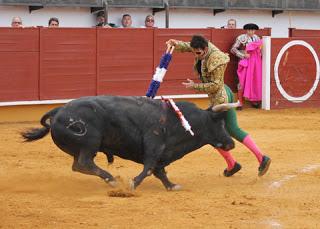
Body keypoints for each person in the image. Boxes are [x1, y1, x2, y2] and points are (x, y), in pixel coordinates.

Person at [166, 35, 271, 177]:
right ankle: (235, 164)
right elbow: (187, 46)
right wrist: (175, 43)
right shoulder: (201, 47)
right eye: (195, 52)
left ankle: (256, 159)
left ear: (206, 49)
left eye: (199, 53)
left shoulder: (216, 59)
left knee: (219, 131)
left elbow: (215, 86)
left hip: (221, 98)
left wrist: (195, 86)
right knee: (220, 131)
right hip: (219, 96)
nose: (197, 55)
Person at [231, 23, 262, 109]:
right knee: (241, 81)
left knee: (253, 81)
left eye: (252, 30)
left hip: (255, 64)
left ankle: (253, 100)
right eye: (249, 30)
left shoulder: (257, 38)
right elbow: (233, 49)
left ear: (254, 30)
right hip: (244, 63)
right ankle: (240, 102)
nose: (250, 32)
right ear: (246, 30)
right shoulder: (241, 38)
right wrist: (243, 55)